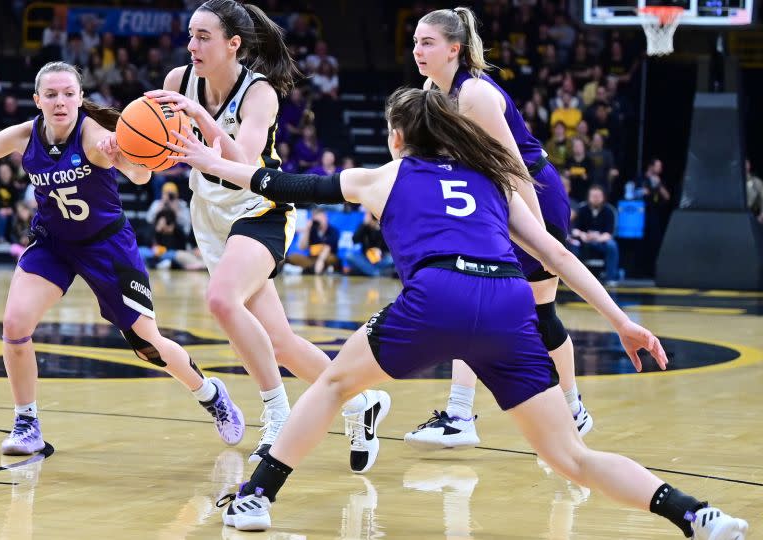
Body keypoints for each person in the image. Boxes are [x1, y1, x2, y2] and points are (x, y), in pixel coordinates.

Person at [168, 87, 749, 540]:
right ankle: (693, 514)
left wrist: (207, 160)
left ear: (397, 136)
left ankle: (257, 497)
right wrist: (621, 319)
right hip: (508, 301)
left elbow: (282, 182)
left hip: (438, 295)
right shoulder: (494, 178)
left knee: (337, 383)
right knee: (570, 456)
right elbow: (556, 254)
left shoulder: (386, 175)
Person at [0, 61, 245, 455]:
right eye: (51, 94)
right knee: (14, 324)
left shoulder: (94, 134)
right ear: (37, 100)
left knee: (148, 345)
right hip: (53, 242)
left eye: (68, 94)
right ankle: (27, 423)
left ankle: (210, 393)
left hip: (106, 245)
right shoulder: (23, 135)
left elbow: (143, 177)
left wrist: (122, 156)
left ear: (80, 98)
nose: (60, 102)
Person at [145, 0, 388, 472]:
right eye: (190, 35)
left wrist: (201, 116)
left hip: (261, 206)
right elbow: (152, 154)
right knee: (278, 342)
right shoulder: (177, 80)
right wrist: (126, 150)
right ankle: (363, 404)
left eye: (203, 37)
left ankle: (276, 412)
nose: (192, 45)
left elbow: (246, 166)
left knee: (220, 300)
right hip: (209, 215)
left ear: (233, 44)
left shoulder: (260, 93)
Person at [406, 8, 591, 450]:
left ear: (455, 49)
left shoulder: (475, 96)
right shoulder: (434, 89)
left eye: (427, 42)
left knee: (532, 310)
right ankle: (461, 414)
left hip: (531, 196)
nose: (417, 50)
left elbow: (513, 172)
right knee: (475, 298)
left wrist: (539, 239)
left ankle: (571, 409)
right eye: (415, 41)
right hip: (492, 197)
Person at [570, 185, 620, 286]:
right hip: (584, 240)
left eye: (598, 196)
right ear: (589, 197)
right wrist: (582, 235)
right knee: (573, 245)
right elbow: (574, 229)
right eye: (593, 196)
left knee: (612, 246)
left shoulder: (609, 211)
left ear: (603, 197)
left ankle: (611, 278)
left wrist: (597, 238)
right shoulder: (582, 208)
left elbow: (609, 233)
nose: (596, 199)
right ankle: (573, 278)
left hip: (601, 241)